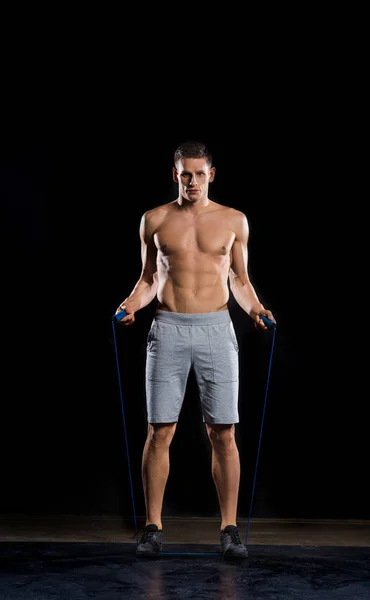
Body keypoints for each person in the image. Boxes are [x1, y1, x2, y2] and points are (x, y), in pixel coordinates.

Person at [115, 140, 276, 559]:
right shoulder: (154, 220)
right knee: (159, 429)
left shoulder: (233, 221)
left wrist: (256, 309)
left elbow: (239, 280)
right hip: (167, 327)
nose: (192, 181)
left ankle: (229, 529)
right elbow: (149, 277)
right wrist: (131, 304)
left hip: (216, 330)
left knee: (223, 432)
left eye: (200, 174)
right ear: (175, 174)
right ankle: (152, 527)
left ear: (212, 174)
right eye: (185, 174)